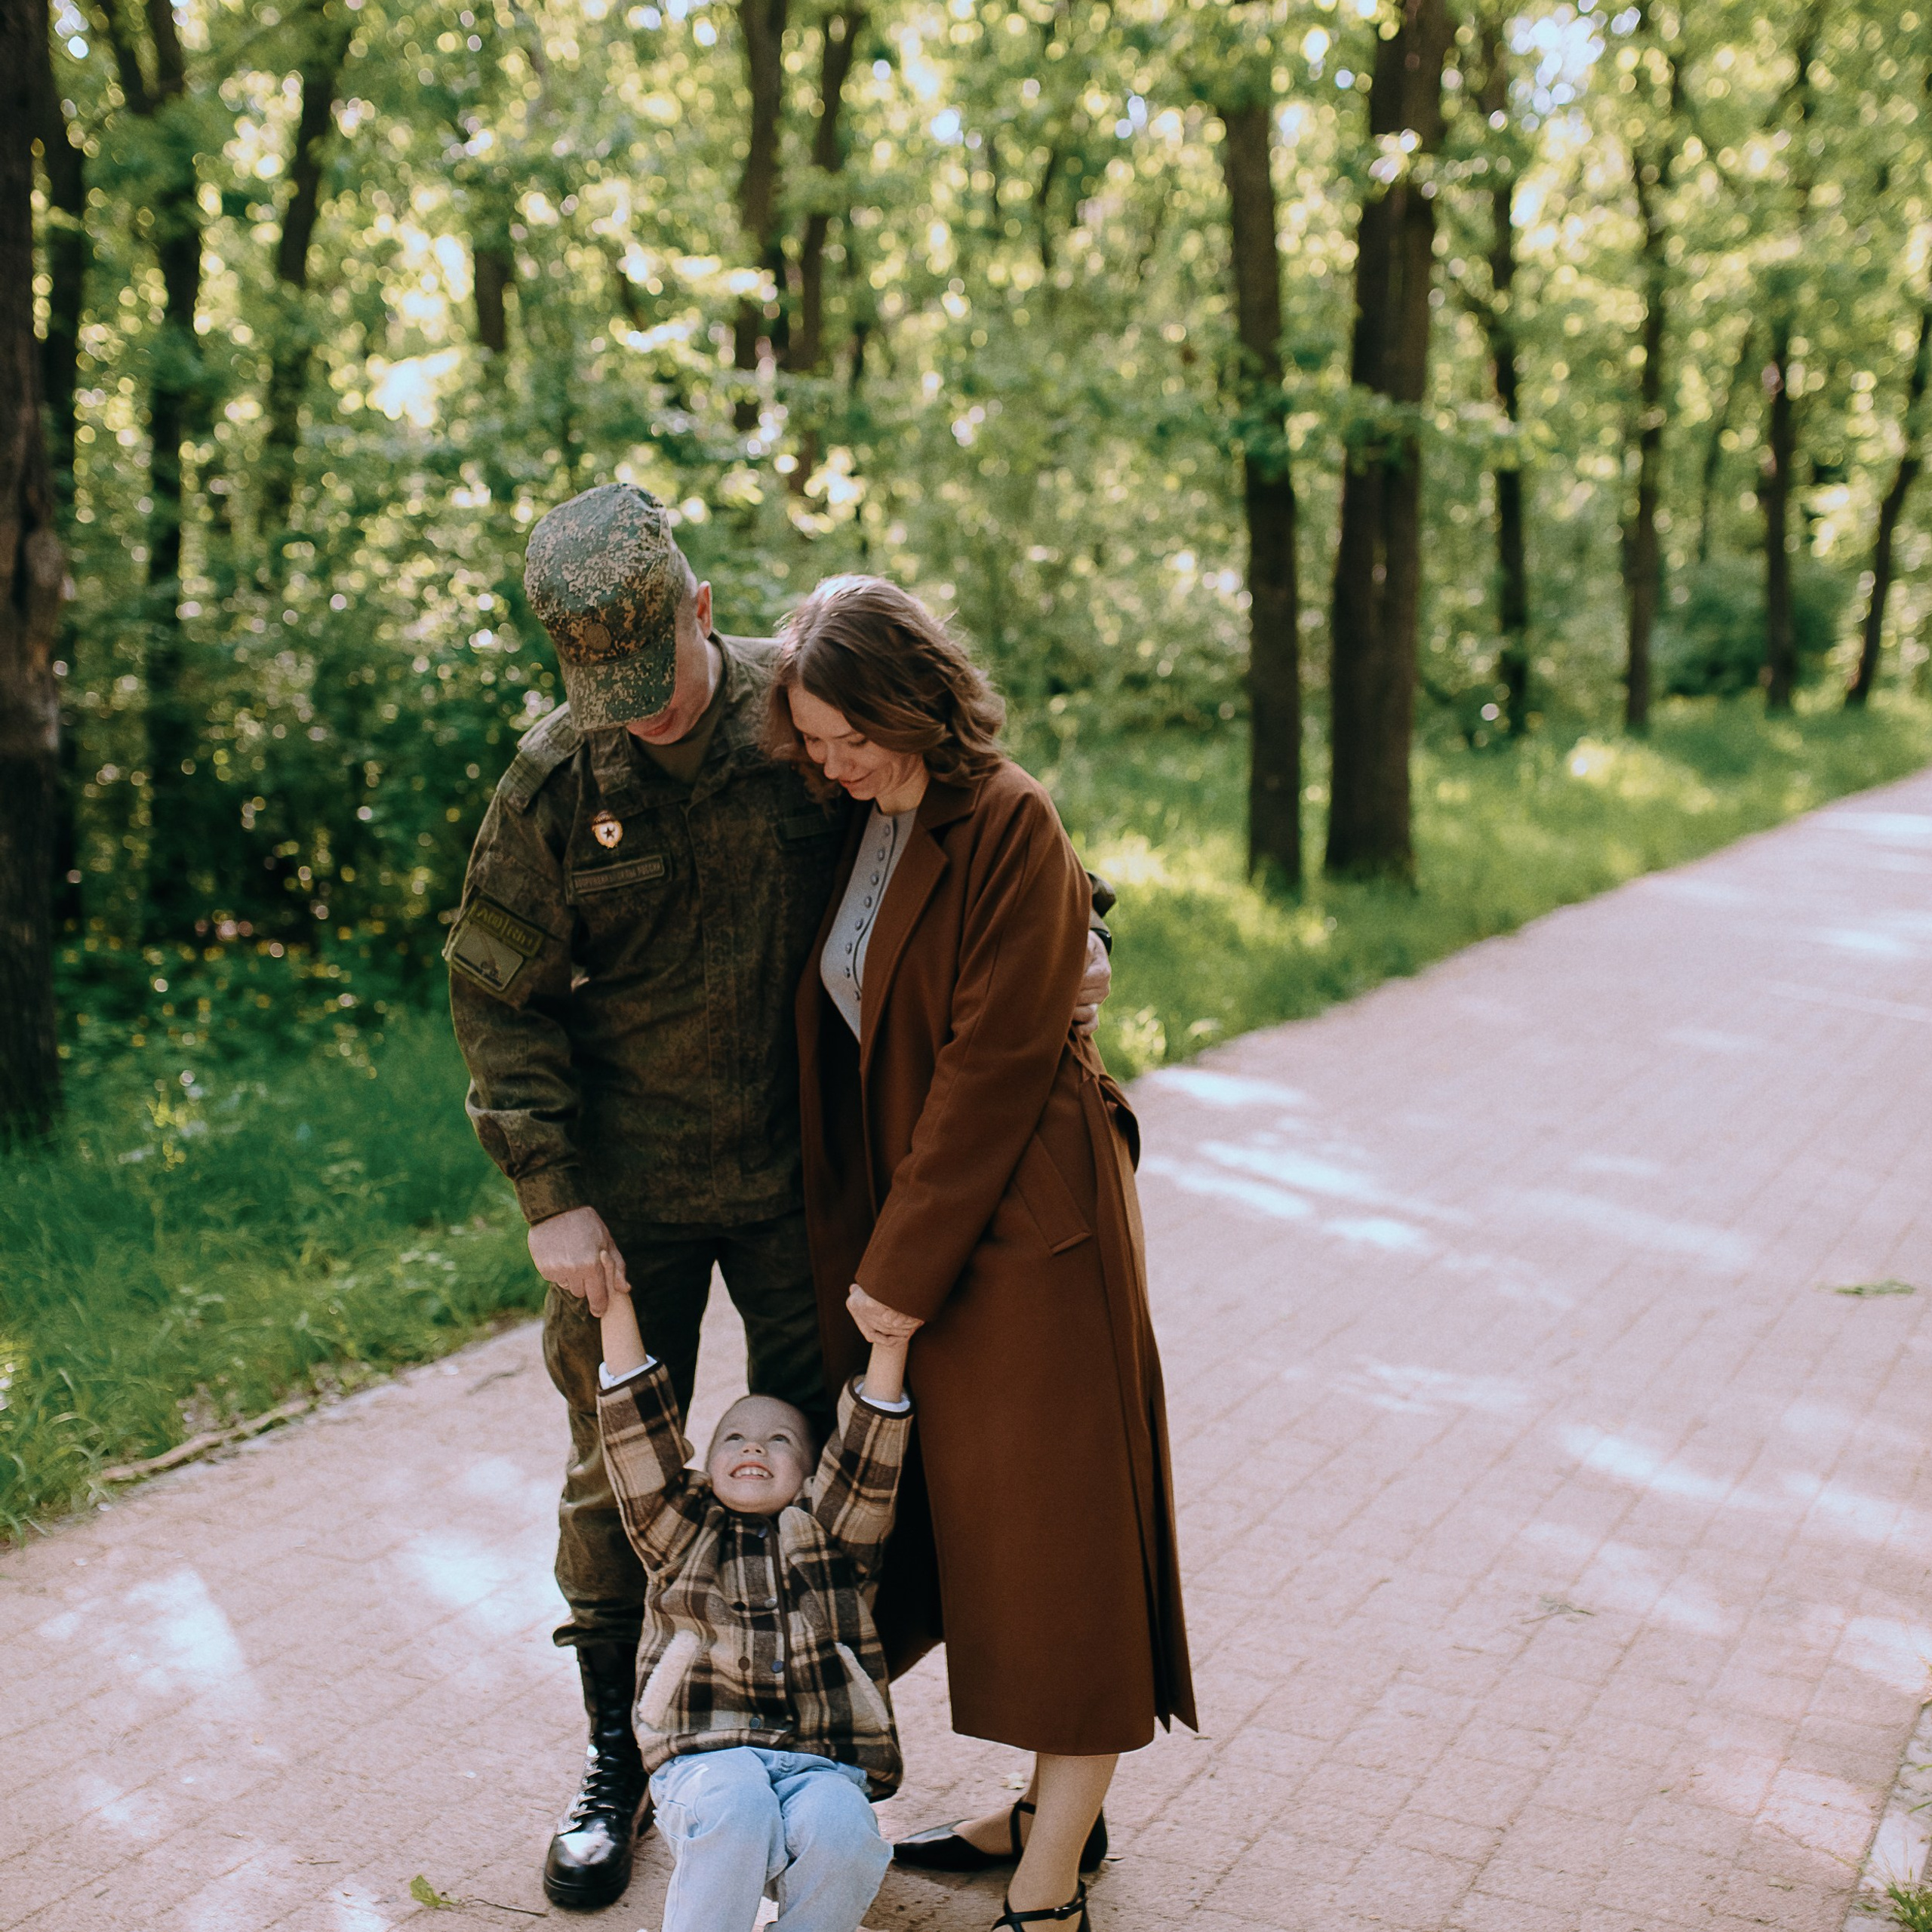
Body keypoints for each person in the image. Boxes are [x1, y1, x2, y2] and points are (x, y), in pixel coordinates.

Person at [446, 482, 1115, 1908]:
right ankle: (616, 1761)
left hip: (810, 1184)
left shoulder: (798, 722)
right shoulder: (558, 780)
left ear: (702, 610)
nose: (642, 712)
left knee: (833, 1470)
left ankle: (814, 1747)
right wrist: (548, 1191)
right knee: (614, 1466)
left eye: (660, 677)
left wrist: (1086, 933)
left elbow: (959, 823)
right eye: (606, 692)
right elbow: (494, 997)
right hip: (627, 1199)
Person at [771, 577, 1197, 1932]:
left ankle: (1053, 1878)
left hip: (1025, 1228)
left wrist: (896, 1273)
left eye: (849, 737)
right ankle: (1046, 1802)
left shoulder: (1004, 813)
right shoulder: (865, 818)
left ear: (912, 701)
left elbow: (991, 1068)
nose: (831, 767)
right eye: (815, 743)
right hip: (935, 1220)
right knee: (986, 1540)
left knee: (1062, 1546)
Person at [593, 1257, 912, 1932]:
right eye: (733, 1437)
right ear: (706, 1469)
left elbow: (869, 1456)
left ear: (809, 1471)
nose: (753, 1448)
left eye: (780, 1441)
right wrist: (615, 1306)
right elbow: (637, 1438)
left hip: (821, 1762)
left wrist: (890, 1344)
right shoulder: (679, 1529)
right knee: (736, 1806)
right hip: (705, 1754)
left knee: (843, 1831)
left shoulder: (833, 1535)